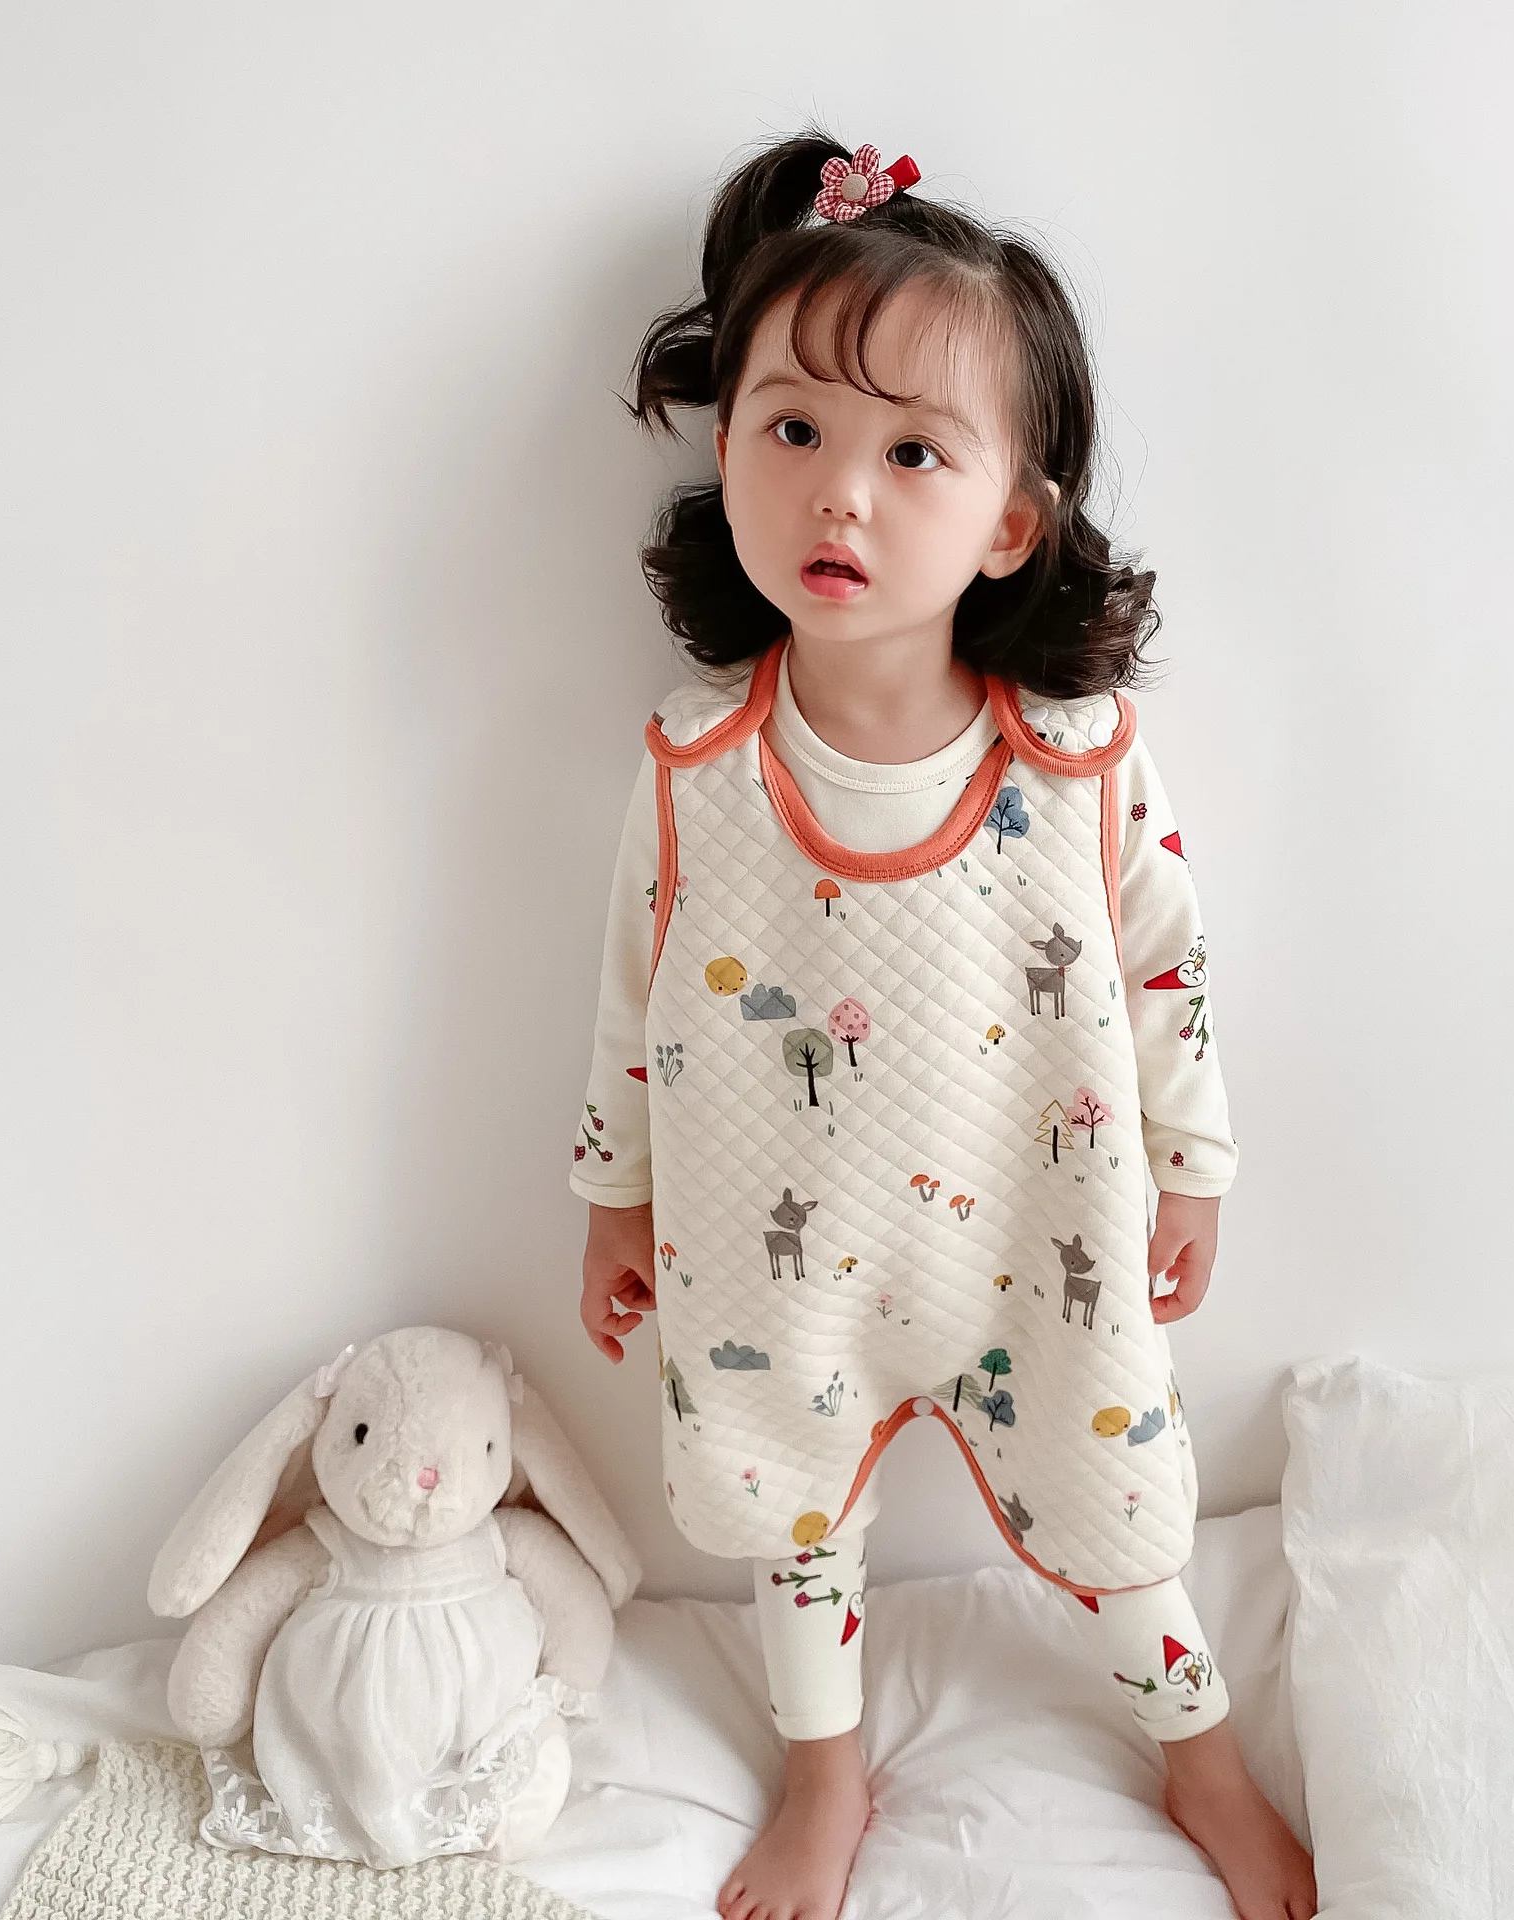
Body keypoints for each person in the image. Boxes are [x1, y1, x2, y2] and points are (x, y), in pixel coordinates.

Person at [572, 129, 1316, 1920]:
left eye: (913, 452)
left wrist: (1196, 1164)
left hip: (1030, 1229)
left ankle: (1202, 1753)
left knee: (1117, 1503)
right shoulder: (695, 767)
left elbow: (1166, 965)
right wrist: (614, 1196)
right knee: (790, 1507)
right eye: (795, 430)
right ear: (727, 456)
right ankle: (824, 1777)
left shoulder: (1075, 762)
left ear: (1008, 522)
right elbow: (632, 997)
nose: (843, 494)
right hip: (783, 1239)